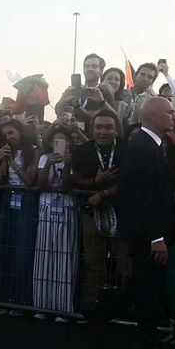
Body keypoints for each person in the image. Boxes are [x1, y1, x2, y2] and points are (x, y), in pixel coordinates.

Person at [116, 97, 175, 349]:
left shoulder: (151, 145)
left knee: (147, 284)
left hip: (151, 233)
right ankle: (148, 342)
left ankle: (147, 337)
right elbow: (143, 197)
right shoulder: (142, 147)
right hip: (148, 236)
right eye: (169, 112)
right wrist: (156, 237)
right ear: (153, 116)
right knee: (147, 286)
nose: (174, 116)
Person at [71, 111, 130, 311]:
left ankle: (128, 309)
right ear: (92, 129)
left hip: (122, 213)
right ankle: (91, 306)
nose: (103, 132)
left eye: (108, 127)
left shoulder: (127, 149)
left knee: (126, 264)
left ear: (116, 129)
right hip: (91, 213)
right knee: (93, 263)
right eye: (98, 127)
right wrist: (95, 182)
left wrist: (103, 193)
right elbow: (76, 180)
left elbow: (132, 181)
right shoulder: (82, 151)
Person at [0, 119, 40, 310]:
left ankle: (20, 299)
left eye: (11, 132)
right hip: (7, 199)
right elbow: (0, 178)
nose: (8, 137)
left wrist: (12, 163)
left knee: (22, 252)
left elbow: (29, 180)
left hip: (26, 200)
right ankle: (1, 297)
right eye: (5, 134)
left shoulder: (33, 150)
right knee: (3, 248)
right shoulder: (5, 151)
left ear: (20, 132)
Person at [32, 125, 78, 320]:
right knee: (44, 254)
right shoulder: (44, 158)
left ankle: (63, 307)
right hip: (46, 208)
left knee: (64, 256)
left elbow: (67, 187)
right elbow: (40, 185)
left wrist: (67, 166)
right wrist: (48, 165)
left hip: (67, 209)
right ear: (51, 142)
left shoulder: (73, 160)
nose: (60, 143)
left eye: (64, 140)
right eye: (56, 140)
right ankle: (42, 305)